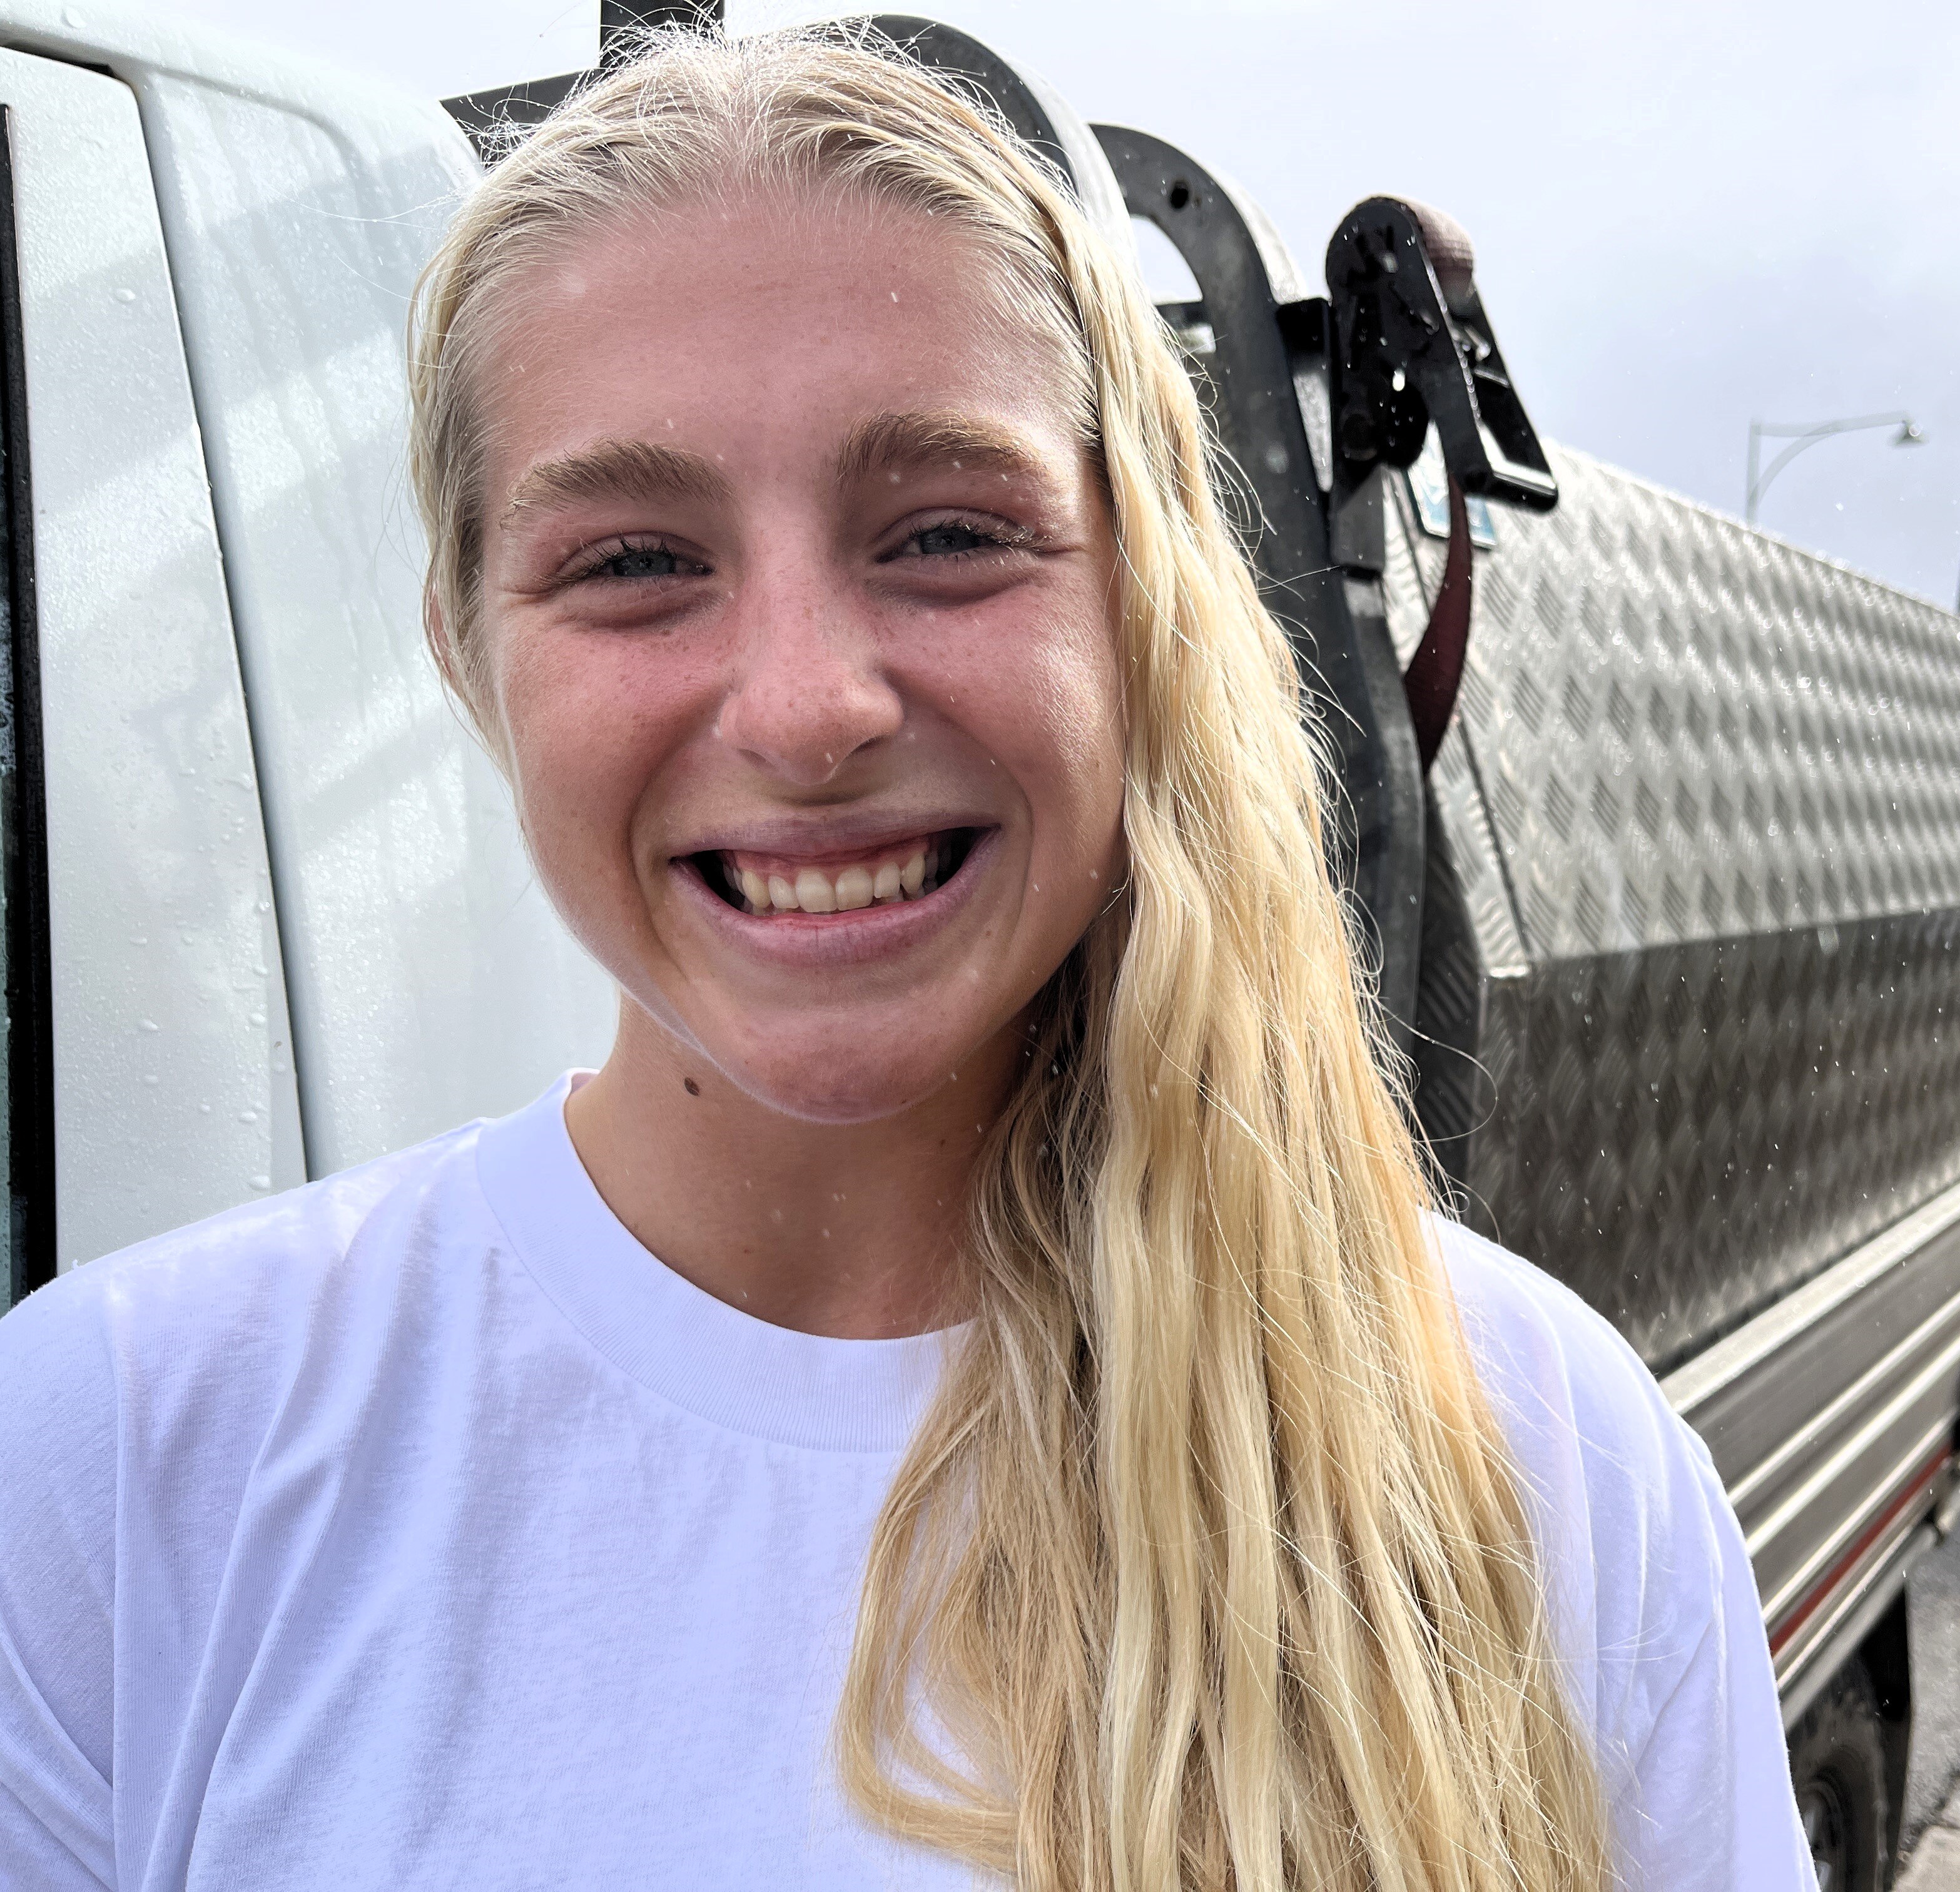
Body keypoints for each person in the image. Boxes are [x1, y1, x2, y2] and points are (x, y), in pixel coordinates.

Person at [0, 29, 1812, 1892]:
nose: (804, 709)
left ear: (1141, 607)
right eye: (633, 560)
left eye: (948, 533)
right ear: (471, 652)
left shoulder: (1535, 1456)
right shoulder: (113, 1471)